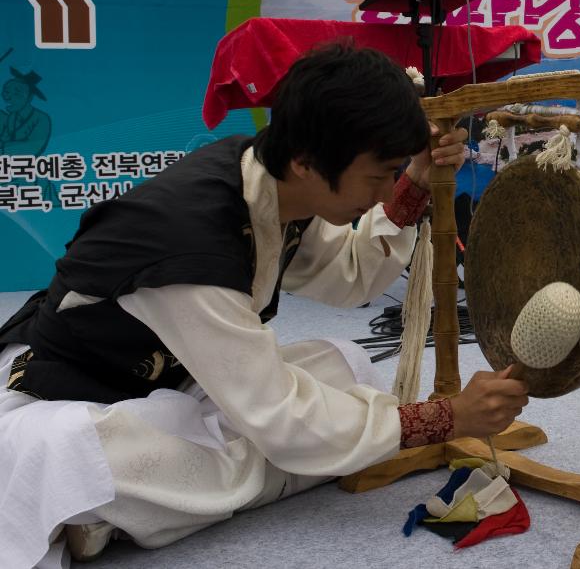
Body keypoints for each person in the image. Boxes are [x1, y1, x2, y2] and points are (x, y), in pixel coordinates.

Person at [0, 42, 528, 566]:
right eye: (378, 175)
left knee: (346, 363)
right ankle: (101, 508)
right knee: (79, 454)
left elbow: (347, 275)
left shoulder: (265, 179)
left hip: (182, 380)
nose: (384, 189)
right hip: (74, 401)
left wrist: (414, 178)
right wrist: (446, 419)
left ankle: (162, 495)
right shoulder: (191, 247)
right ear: (307, 162)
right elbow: (279, 415)